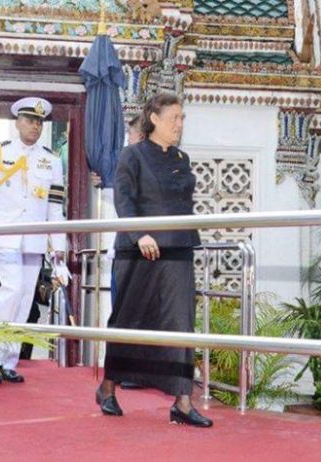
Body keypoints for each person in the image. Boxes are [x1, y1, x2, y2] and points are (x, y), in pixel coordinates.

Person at [96, 92, 213, 427]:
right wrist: (140, 234)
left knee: (181, 322)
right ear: (154, 119)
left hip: (177, 249)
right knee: (129, 320)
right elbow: (124, 199)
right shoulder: (131, 155)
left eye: (182, 118)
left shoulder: (182, 158)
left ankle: (183, 401)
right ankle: (107, 387)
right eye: (174, 117)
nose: (179, 124)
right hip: (140, 251)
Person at [0, 97, 66, 385]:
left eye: (39, 122)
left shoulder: (52, 160)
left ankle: (8, 361)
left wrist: (58, 247)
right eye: (30, 120)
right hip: (5, 235)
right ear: (18, 123)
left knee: (24, 298)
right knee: (11, 290)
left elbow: (54, 208)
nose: (35, 126)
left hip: (34, 239)